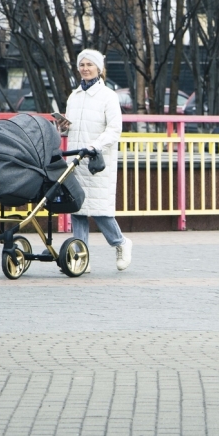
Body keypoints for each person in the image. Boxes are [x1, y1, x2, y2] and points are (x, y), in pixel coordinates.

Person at [56, 49, 133, 271]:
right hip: (77, 159)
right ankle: (81, 257)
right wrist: (63, 128)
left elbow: (114, 130)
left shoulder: (108, 96)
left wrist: (94, 146)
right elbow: (73, 129)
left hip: (97, 161)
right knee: (77, 208)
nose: (85, 68)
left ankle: (121, 242)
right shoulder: (74, 96)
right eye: (82, 65)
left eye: (90, 65)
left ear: (99, 69)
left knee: (100, 211)